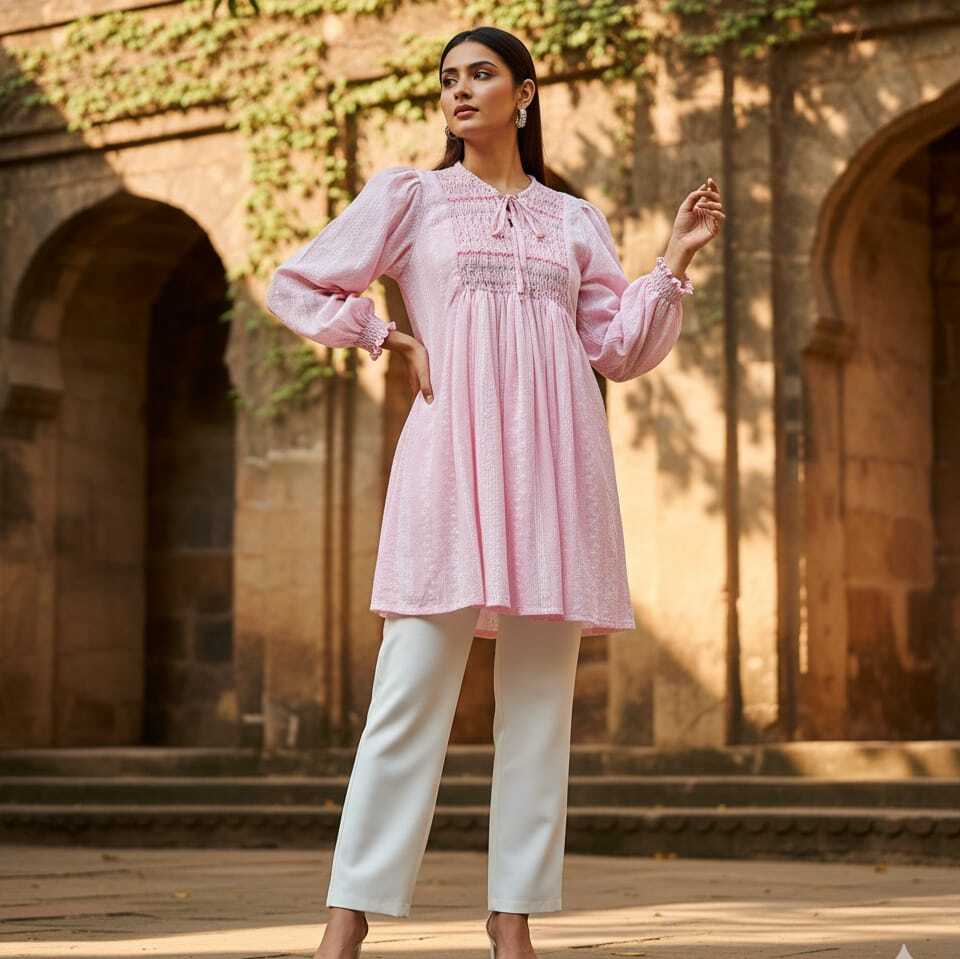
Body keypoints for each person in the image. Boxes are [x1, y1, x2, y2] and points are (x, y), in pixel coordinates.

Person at [265, 24, 724, 959]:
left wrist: (673, 259)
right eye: (448, 80)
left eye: (481, 75)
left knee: (539, 705)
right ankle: (345, 921)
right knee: (407, 693)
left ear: (524, 94)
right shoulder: (413, 198)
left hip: (558, 468)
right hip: (450, 462)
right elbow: (298, 282)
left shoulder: (573, 220)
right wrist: (386, 337)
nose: (460, 91)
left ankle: (511, 917)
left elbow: (619, 347)